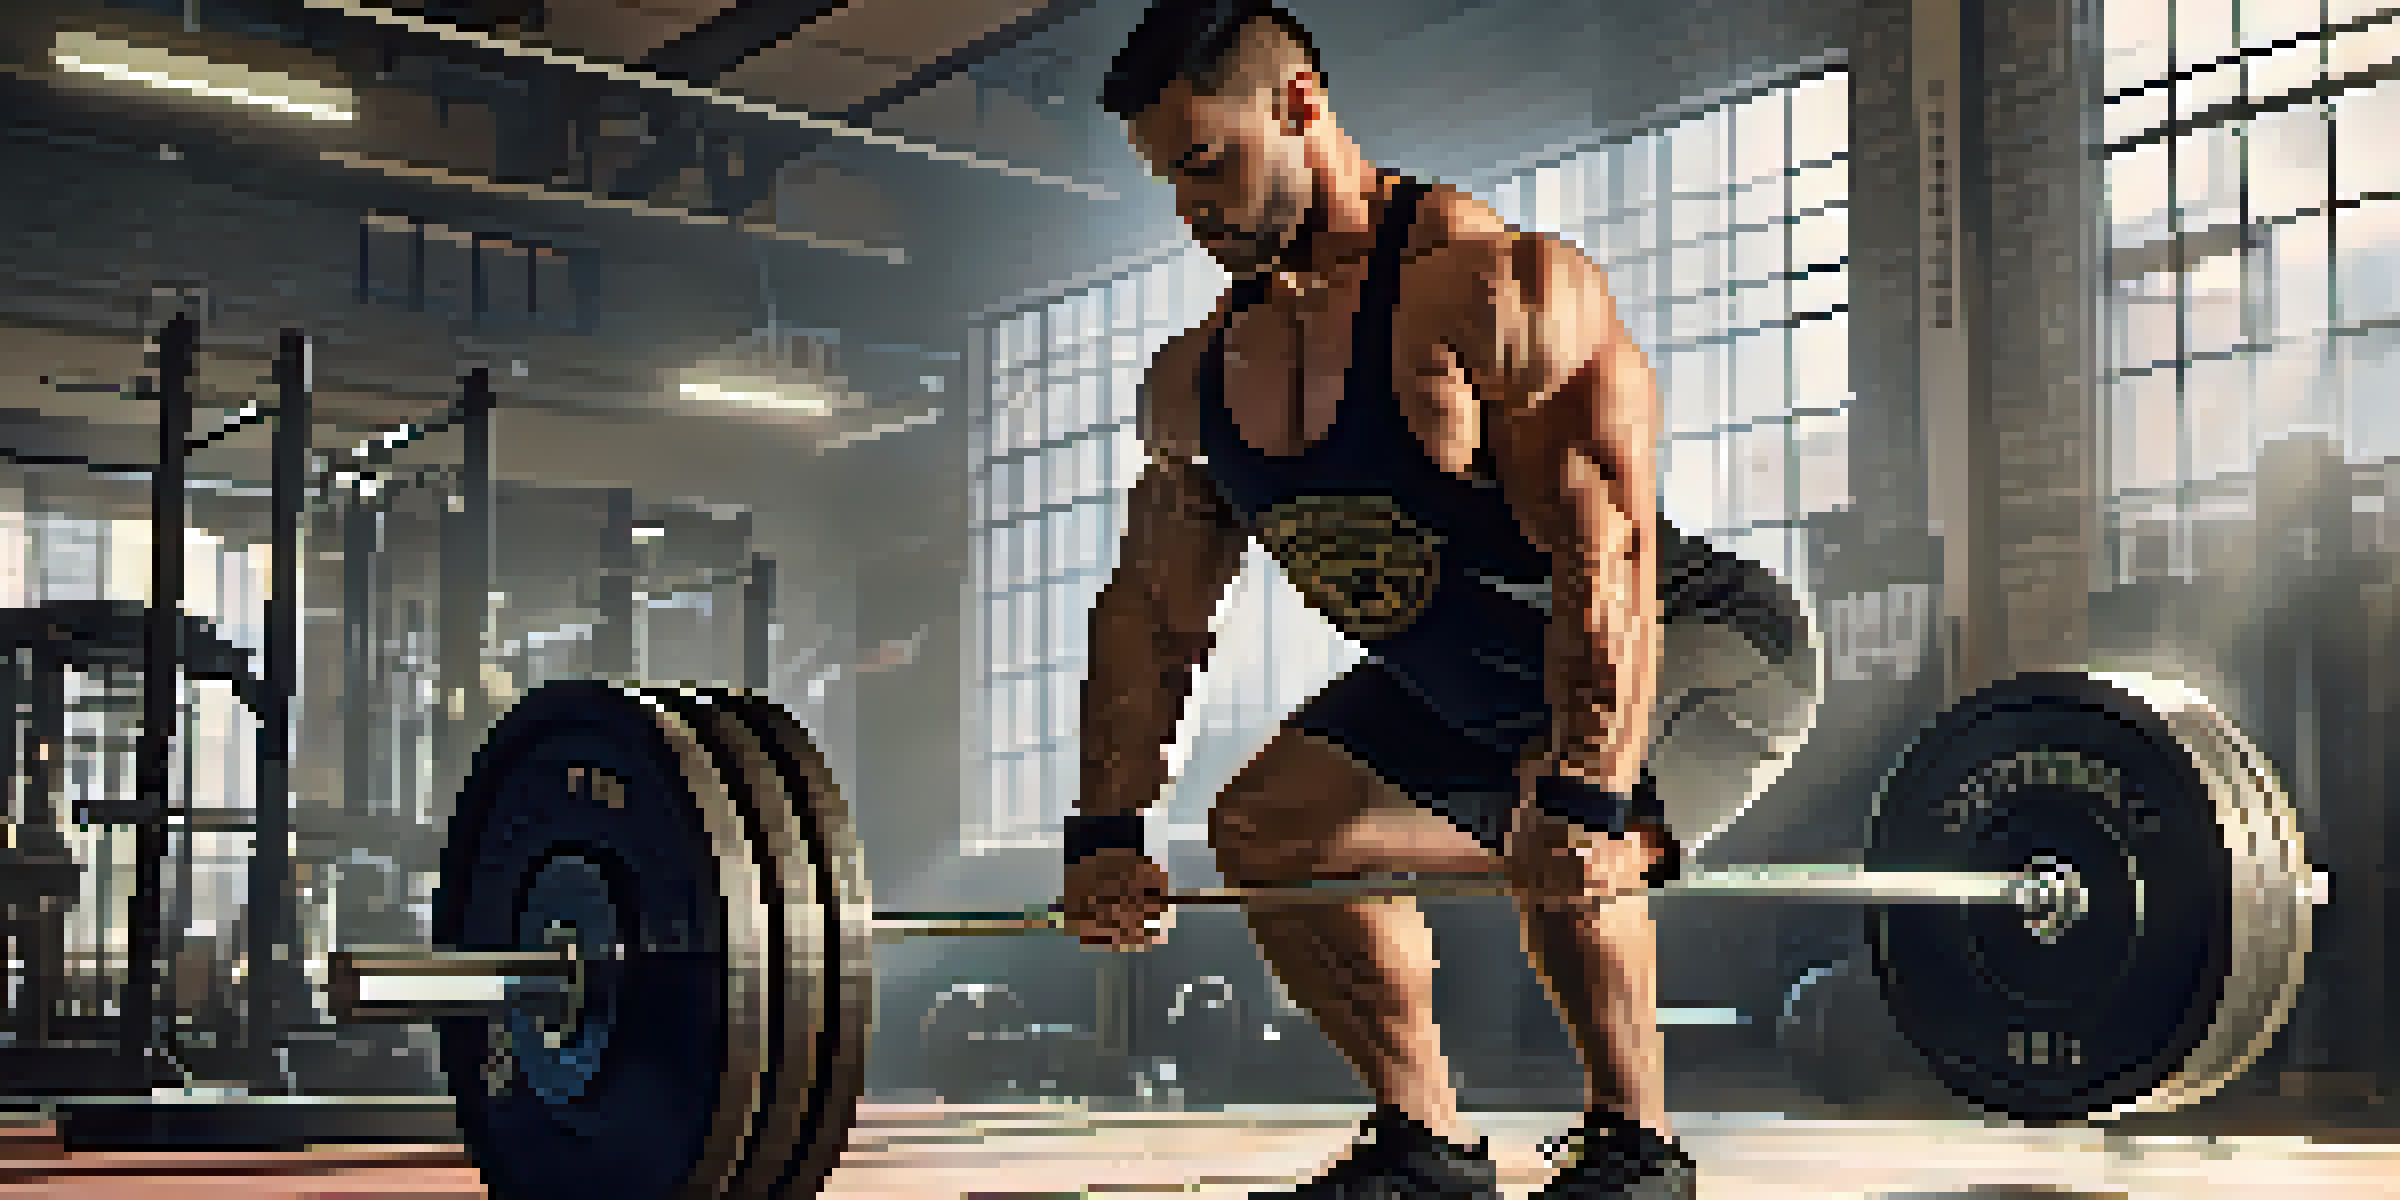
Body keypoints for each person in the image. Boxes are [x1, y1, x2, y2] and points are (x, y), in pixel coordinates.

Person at [1064, 3, 1700, 1198]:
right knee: (1263, 829)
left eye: (1208, 161)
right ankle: (1430, 1151)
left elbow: (1603, 550)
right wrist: (1106, 831)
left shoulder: (1489, 289)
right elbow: (1152, 614)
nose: (1192, 208)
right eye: (1169, 179)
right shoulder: (1198, 381)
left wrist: (1589, 788)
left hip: (1695, 638)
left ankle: (1639, 1151)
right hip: (1462, 686)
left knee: (1550, 819)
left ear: (1299, 104)